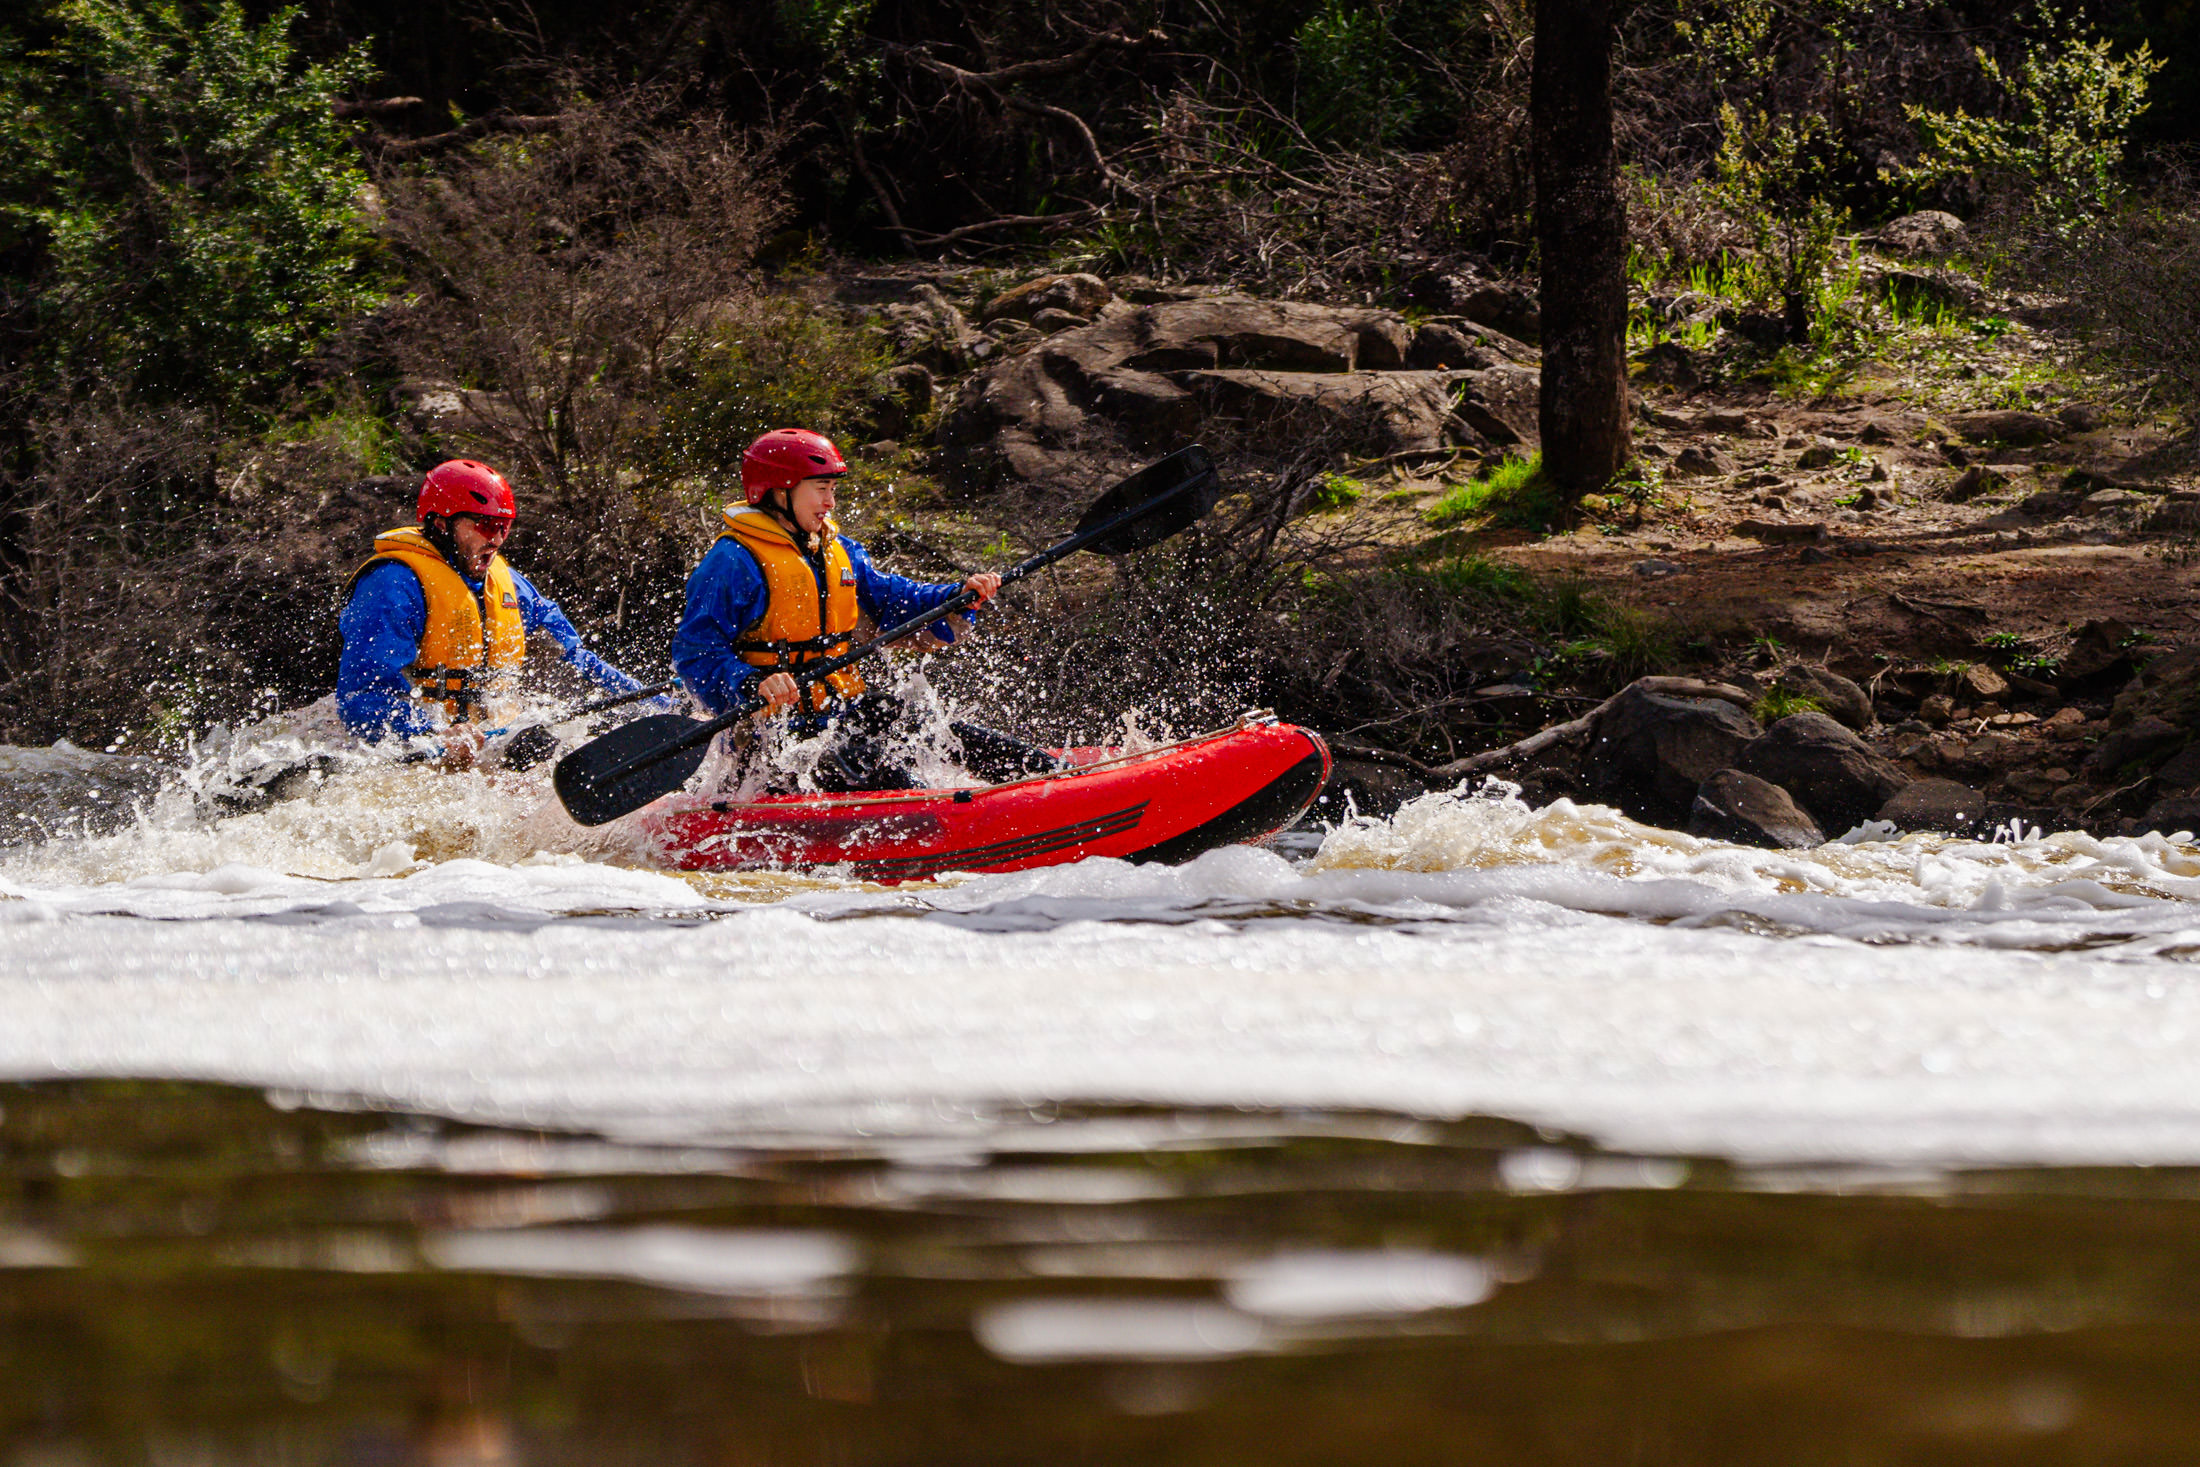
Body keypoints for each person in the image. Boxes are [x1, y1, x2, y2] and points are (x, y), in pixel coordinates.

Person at [671, 428, 1041, 791]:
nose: (830, 503)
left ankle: (1053, 775)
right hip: (772, 740)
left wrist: (957, 595)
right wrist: (751, 682)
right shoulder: (732, 563)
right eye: (820, 489)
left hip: (838, 710)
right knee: (857, 760)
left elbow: (896, 600)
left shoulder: (838, 550)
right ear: (779, 491)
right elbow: (694, 653)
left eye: (832, 490)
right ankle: (932, 813)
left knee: (930, 725)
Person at [338, 459, 648, 767]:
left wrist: (654, 703)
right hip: (422, 755)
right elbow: (363, 695)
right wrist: (432, 735)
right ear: (442, 524)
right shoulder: (392, 586)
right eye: (485, 525)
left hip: (497, 745)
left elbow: (576, 661)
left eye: (504, 526)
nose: (496, 539)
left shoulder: (508, 585)